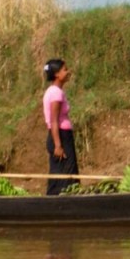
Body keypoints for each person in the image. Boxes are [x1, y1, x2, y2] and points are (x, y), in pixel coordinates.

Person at [42, 59, 79, 195]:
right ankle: (63, 205)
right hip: (60, 136)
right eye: (65, 69)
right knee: (67, 174)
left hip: (59, 136)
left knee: (58, 173)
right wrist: (58, 145)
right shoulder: (56, 93)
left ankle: (54, 202)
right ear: (57, 74)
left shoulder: (52, 91)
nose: (68, 72)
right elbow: (54, 121)